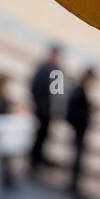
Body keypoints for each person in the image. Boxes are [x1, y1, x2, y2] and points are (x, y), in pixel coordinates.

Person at [28, 46, 63, 175]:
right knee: (40, 135)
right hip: (43, 109)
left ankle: (37, 157)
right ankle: (35, 158)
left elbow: (58, 92)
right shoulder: (48, 69)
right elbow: (57, 92)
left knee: (42, 135)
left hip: (45, 109)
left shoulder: (50, 69)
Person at [67, 67, 95, 199]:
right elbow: (74, 112)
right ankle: (73, 185)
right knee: (76, 160)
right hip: (78, 129)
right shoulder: (78, 92)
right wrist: (86, 116)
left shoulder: (80, 91)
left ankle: (74, 184)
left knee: (78, 159)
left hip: (79, 129)